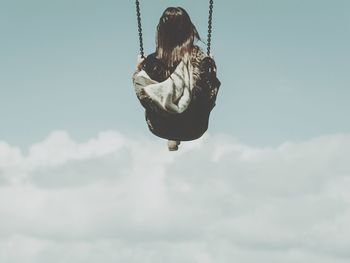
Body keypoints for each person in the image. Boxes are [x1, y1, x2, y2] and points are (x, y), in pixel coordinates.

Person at [133, 7, 220, 151]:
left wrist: (138, 70)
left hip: (159, 127)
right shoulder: (199, 60)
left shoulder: (151, 62)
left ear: (160, 31)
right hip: (194, 127)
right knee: (195, 97)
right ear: (189, 30)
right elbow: (209, 97)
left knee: (157, 94)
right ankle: (177, 124)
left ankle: (172, 126)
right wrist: (211, 68)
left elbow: (143, 94)